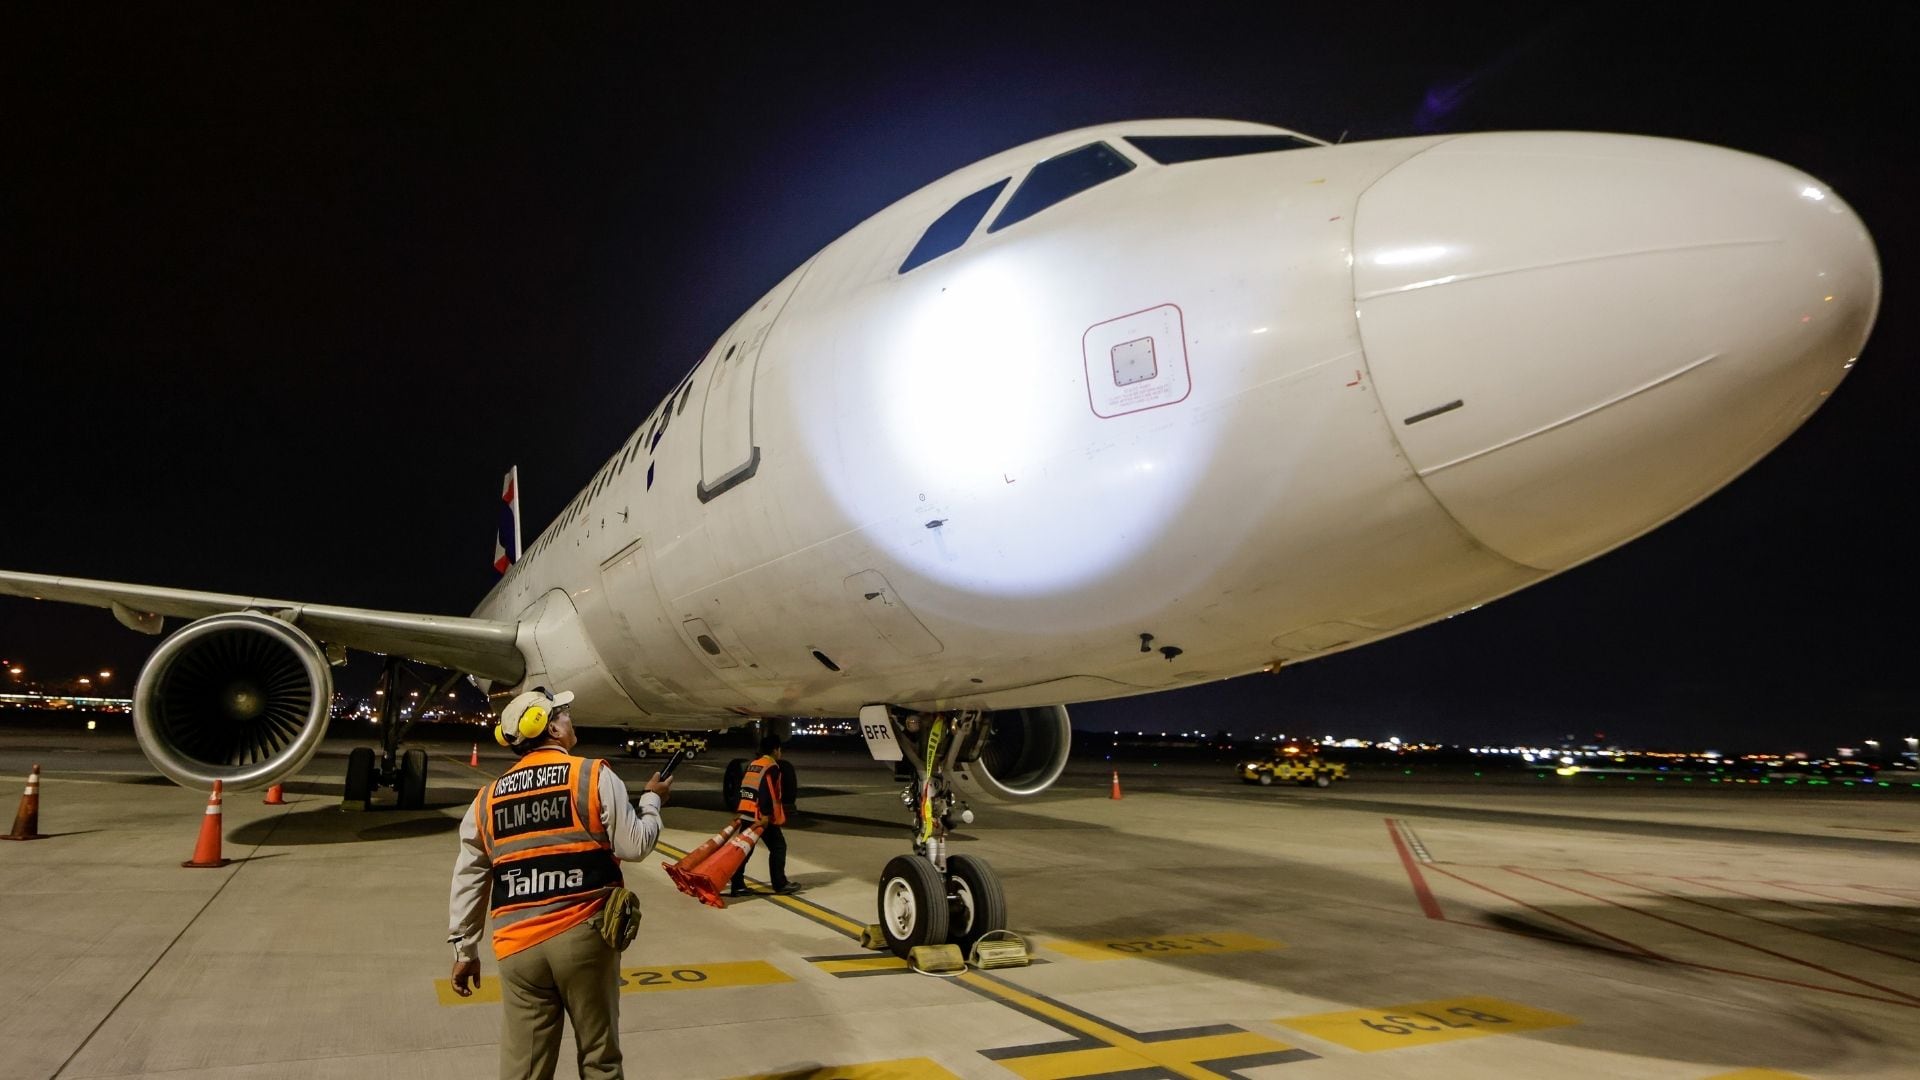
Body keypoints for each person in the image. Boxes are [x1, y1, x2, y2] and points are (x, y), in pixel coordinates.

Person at [447, 687, 672, 1080]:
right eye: (563, 713)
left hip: (516, 946)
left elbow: (469, 876)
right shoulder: (591, 774)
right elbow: (634, 845)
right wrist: (651, 802)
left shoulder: (487, 799)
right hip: (582, 934)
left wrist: (464, 950)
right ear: (550, 726)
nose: (570, 719)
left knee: (525, 1069)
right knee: (599, 1059)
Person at [730, 733, 799, 896]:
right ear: (776, 750)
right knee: (778, 847)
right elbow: (765, 790)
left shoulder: (754, 764)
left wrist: (739, 810)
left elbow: (744, 787)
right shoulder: (771, 766)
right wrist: (766, 815)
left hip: (747, 812)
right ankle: (780, 884)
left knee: (745, 850)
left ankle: (737, 884)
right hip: (760, 815)